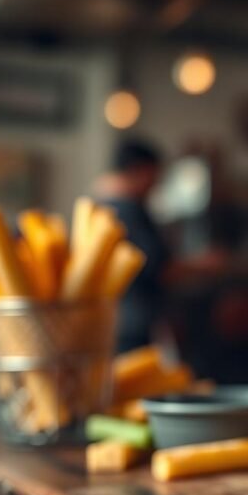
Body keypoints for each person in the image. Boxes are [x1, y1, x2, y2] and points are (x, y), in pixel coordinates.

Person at [95, 138, 169, 352]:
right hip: (130, 321)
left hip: (107, 318)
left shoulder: (99, 204)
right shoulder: (128, 210)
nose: (156, 183)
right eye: (154, 174)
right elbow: (155, 265)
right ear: (141, 170)